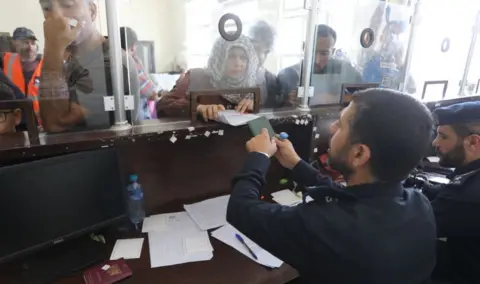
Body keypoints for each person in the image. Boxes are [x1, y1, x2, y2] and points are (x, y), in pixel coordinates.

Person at [227, 88, 436, 284]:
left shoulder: (326, 225)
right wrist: (297, 165)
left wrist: (259, 156)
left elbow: (240, 208)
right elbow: (350, 197)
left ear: (359, 154)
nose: (333, 128)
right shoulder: (419, 204)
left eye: (341, 124)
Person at [38, 0, 140, 133]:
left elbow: (55, 124)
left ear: (91, 11)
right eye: (47, 8)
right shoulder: (74, 60)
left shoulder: (111, 63)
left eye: (67, 5)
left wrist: (53, 47)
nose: (56, 16)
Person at [423, 101, 480, 283]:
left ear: (473, 141)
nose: (435, 142)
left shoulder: (466, 197)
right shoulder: (470, 176)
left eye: (443, 136)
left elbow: (416, 226)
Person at [157, 35, 261, 121]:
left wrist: (254, 106)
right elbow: (164, 105)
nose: (238, 63)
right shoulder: (196, 77)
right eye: (230, 56)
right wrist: (198, 108)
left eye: (243, 58)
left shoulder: (251, 86)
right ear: (219, 57)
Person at [277, 25, 362, 106]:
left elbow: (364, 97)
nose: (317, 60)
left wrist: (329, 98)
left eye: (324, 53)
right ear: (304, 48)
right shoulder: (288, 75)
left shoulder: (346, 71)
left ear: (332, 52)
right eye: (312, 52)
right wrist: (288, 101)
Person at [0, 28, 43, 123]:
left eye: (33, 43)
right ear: (14, 43)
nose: (30, 47)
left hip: (41, 123)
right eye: (25, 42)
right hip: (14, 122)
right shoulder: (5, 59)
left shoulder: (47, 63)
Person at [120, 26, 160, 120]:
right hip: (137, 118)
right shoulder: (132, 64)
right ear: (133, 47)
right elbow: (152, 94)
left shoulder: (111, 62)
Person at [247, 20, 280, 108]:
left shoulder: (272, 80)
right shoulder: (233, 76)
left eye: (266, 51)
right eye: (254, 47)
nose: (261, 56)